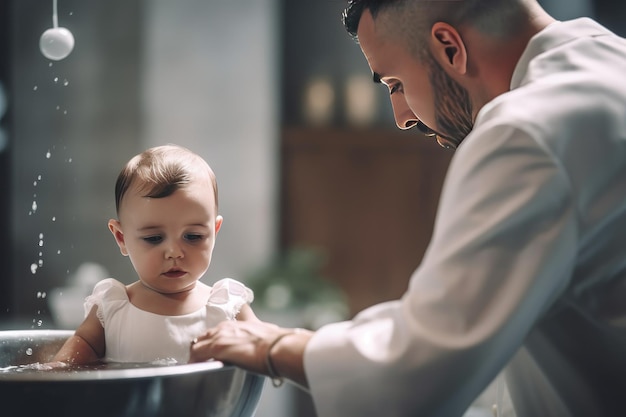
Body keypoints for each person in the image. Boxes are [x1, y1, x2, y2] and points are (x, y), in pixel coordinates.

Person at [189, 1, 626, 416]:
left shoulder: (525, 134)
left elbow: (414, 374)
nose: (401, 117)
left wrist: (272, 345)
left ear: (450, 48)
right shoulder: (611, 58)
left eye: (395, 84)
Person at [53, 144, 258, 365]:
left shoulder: (227, 308)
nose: (174, 253)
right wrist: (53, 371)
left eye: (193, 236)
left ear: (214, 232)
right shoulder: (113, 307)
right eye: (154, 238)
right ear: (121, 238)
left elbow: (266, 350)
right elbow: (68, 363)